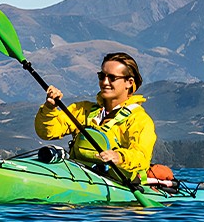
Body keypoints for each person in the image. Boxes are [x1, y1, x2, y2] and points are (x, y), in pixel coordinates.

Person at [35, 51, 156, 181]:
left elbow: (142, 156)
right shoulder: (82, 110)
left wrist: (119, 156)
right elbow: (47, 133)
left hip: (116, 183)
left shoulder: (139, 120)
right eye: (101, 76)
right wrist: (49, 108)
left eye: (112, 78)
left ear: (129, 82)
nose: (105, 82)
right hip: (77, 175)